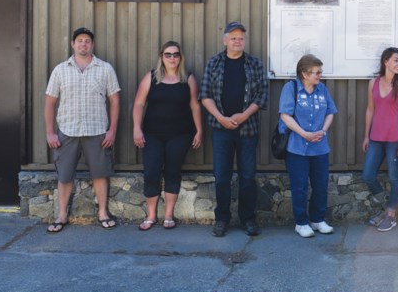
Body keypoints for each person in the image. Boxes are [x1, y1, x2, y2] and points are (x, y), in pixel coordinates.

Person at [44, 27, 121, 232]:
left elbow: (114, 101)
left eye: (87, 41)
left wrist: (112, 130)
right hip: (67, 131)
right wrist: (50, 132)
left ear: (92, 45)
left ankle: (103, 213)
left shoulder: (105, 69)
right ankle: (61, 215)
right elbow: (50, 102)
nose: (83, 44)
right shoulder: (60, 70)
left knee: (100, 174)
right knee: (65, 176)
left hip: (97, 131)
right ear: (72, 44)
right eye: (79, 40)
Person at [199, 22, 268, 238]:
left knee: (247, 176)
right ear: (225, 40)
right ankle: (222, 218)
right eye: (233, 37)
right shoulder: (214, 63)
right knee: (222, 176)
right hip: (221, 130)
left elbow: (262, 95)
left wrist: (243, 115)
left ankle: (248, 219)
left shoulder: (254, 64)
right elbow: (205, 95)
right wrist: (221, 118)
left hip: (247, 129)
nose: (237, 41)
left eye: (241, 38)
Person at [132, 41, 204, 230]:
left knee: (173, 171)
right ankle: (151, 215)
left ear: (181, 57)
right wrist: (136, 128)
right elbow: (139, 104)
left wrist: (199, 130)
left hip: (180, 134)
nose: (172, 58)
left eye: (176, 54)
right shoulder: (151, 77)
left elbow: (195, 105)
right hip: (152, 134)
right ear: (161, 57)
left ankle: (169, 215)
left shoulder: (187, 79)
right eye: (168, 54)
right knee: (151, 172)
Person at [279, 54, 338, 237]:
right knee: (300, 186)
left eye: (320, 71)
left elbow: (330, 112)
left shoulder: (322, 89)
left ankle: (317, 219)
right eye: (317, 72)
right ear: (304, 74)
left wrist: (323, 131)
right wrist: (304, 133)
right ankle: (301, 222)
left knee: (320, 185)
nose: (320, 75)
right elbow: (285, 115)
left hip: (320, 147)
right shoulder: (291, 88)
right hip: (297, 146)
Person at [362, 47, 398, 232]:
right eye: (396, 60)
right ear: (385, 61)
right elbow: (370, 109)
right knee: (368, 175)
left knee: (394, 176)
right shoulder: (373, 83)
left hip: (395, 139)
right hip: (376, 137)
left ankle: (391, 215)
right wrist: (366, 135)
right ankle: (386, 206)